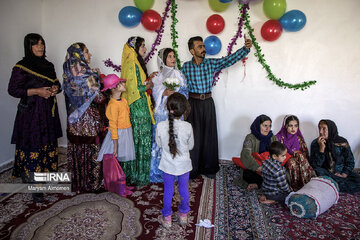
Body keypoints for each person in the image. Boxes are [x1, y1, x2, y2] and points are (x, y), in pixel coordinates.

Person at [181, 36, 252, 179]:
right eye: (199, 47)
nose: (203, 49)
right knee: (193, 136)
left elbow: (228, 60)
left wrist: (245, 49)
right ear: (191, 50)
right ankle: (193, 169)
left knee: (208, 135)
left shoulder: (211, 64)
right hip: (192, 104)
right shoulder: (185, 67)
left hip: (207, 103)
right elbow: (177, 81)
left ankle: (208, 168)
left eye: (203, 46)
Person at [8, 33, 62, 202]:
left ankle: (48, 178)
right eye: (36, 44)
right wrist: (37, 91)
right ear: (28, 47)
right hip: (31, 114)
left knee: (48, 144)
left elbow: (57, 83)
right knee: (34, 145)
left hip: (48, 112)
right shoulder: (22, 66)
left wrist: (55, 89)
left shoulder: (48, 65)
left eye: (42, 43)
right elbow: (13, 90)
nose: (40, 47)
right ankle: (35, 187)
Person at [63, 42, 107, 193]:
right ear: (79, 55)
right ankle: (93, 184)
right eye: (87, 52)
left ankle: (78, 183)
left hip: (74, 122)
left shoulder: (68, 74)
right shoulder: (88, 76)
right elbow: (99, 98)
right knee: (92, 151)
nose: (90, 55)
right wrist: (102, 83)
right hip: (89, 121)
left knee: (77, 151)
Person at [120, 36, 155, 186]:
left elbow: (138, 82)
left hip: (141, 106)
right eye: (142, 46)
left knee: (140, 141)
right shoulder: (131, 63)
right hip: (138, 108)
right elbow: (133, 89)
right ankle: (136, 176)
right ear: (135, 47)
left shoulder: (136, 63)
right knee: (140, 141)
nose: (145, 49)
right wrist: (148, 86)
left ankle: (138, 175)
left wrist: (148, 80)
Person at [150, 48, 188, 183]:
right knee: (161, 139)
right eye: (169, 56)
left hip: (175, 113)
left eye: (174, 56)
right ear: (163, 59)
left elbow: (185, 93)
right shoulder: (156, 76)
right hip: (161, 113)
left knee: (175, 139)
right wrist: (163, 92)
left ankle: (175, 170)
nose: (173, 59)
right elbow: (152, 94)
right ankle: (158, 170)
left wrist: (176, 97)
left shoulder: (179, 75)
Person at [156, 93, 193, 228]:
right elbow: (191, 146)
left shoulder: (160, 126)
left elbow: (159, 145)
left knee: (168, 190)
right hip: (183, 164)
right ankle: (183, 216)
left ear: (167, 108)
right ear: (184, 110)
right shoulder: (187, 126)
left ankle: (167, 218)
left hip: (167, 164)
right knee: (183, 189)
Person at [310, 119, 360, 193]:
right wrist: (321, 149)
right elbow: (315, 165)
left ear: (331, 129)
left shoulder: (342, 142)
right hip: (327, 174)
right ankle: (335, 184)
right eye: (319, 128)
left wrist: (344, 174)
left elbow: (350, 161)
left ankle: (334, 185)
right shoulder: (316, 143)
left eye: (324, 129)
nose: (320, 132)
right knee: (318, 172)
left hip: (342, 174)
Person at [96, 74, 135, 163]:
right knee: (114, 157)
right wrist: (115, 147)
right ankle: (112, 176)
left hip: (126, 131)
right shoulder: (113, 105)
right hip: (118, 134)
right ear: (114, 88)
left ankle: (119, 175)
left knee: (120, 159)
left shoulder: (124, 101)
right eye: (121, 83)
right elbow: (113, 126)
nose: (124, 84)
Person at [276, 115, 316, 191]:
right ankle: (295, 187)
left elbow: (305, 155)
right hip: (283, 161)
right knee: (292, 162)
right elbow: (276, 154)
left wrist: (296, 154)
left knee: (299, 155)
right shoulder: (278, 137)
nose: (293, 128)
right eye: (290, 126)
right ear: (285, 126)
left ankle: (307, 183)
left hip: (298, 161)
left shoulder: (298, 139)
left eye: (295, 126)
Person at [240, 114, 278, 190]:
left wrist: (271, 168)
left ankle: (259, 184)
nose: (268, 129)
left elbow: (279, 153)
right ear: (258, 125)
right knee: (247, 174)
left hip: (269, 168)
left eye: (269, 126)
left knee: (281, 174)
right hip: (257, 168)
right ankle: (265, 184)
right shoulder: (250, 138)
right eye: (265, 125)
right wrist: (258, 167)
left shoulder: (273, 138)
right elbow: (246, 155)